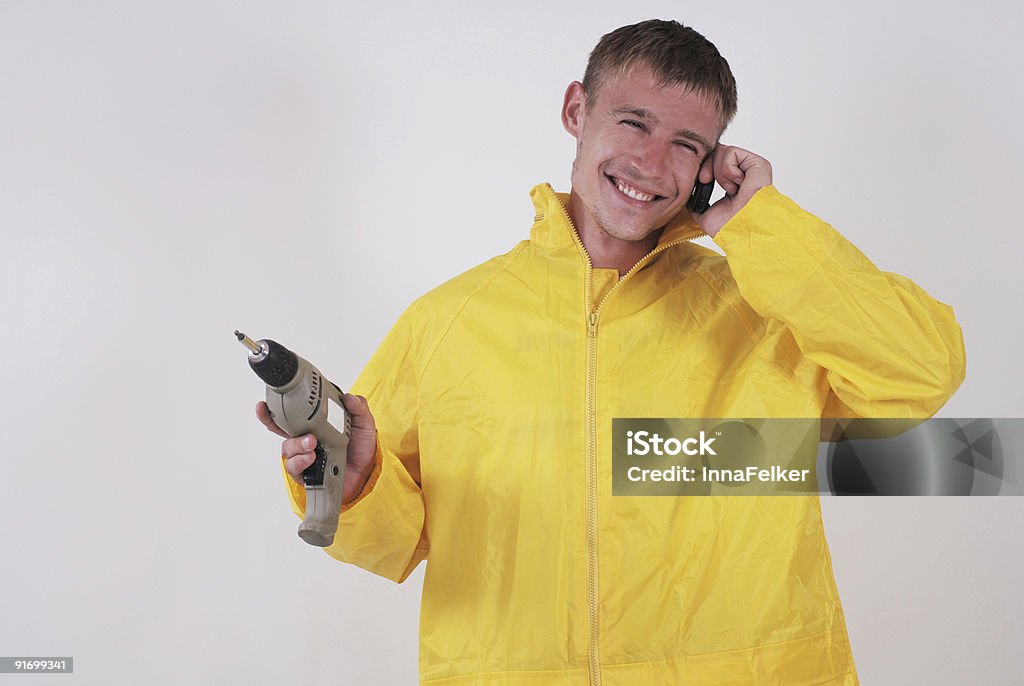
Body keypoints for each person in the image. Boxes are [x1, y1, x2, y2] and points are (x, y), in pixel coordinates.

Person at [256, 19, 964, 685]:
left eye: (688, 144)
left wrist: (765, 228)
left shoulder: (767, 314)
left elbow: (920, 373)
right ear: (575, 110)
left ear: (713, 165)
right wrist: (356, 489)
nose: (652, 164)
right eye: (634, 122)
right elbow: (392, 545)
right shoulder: (448, 323)